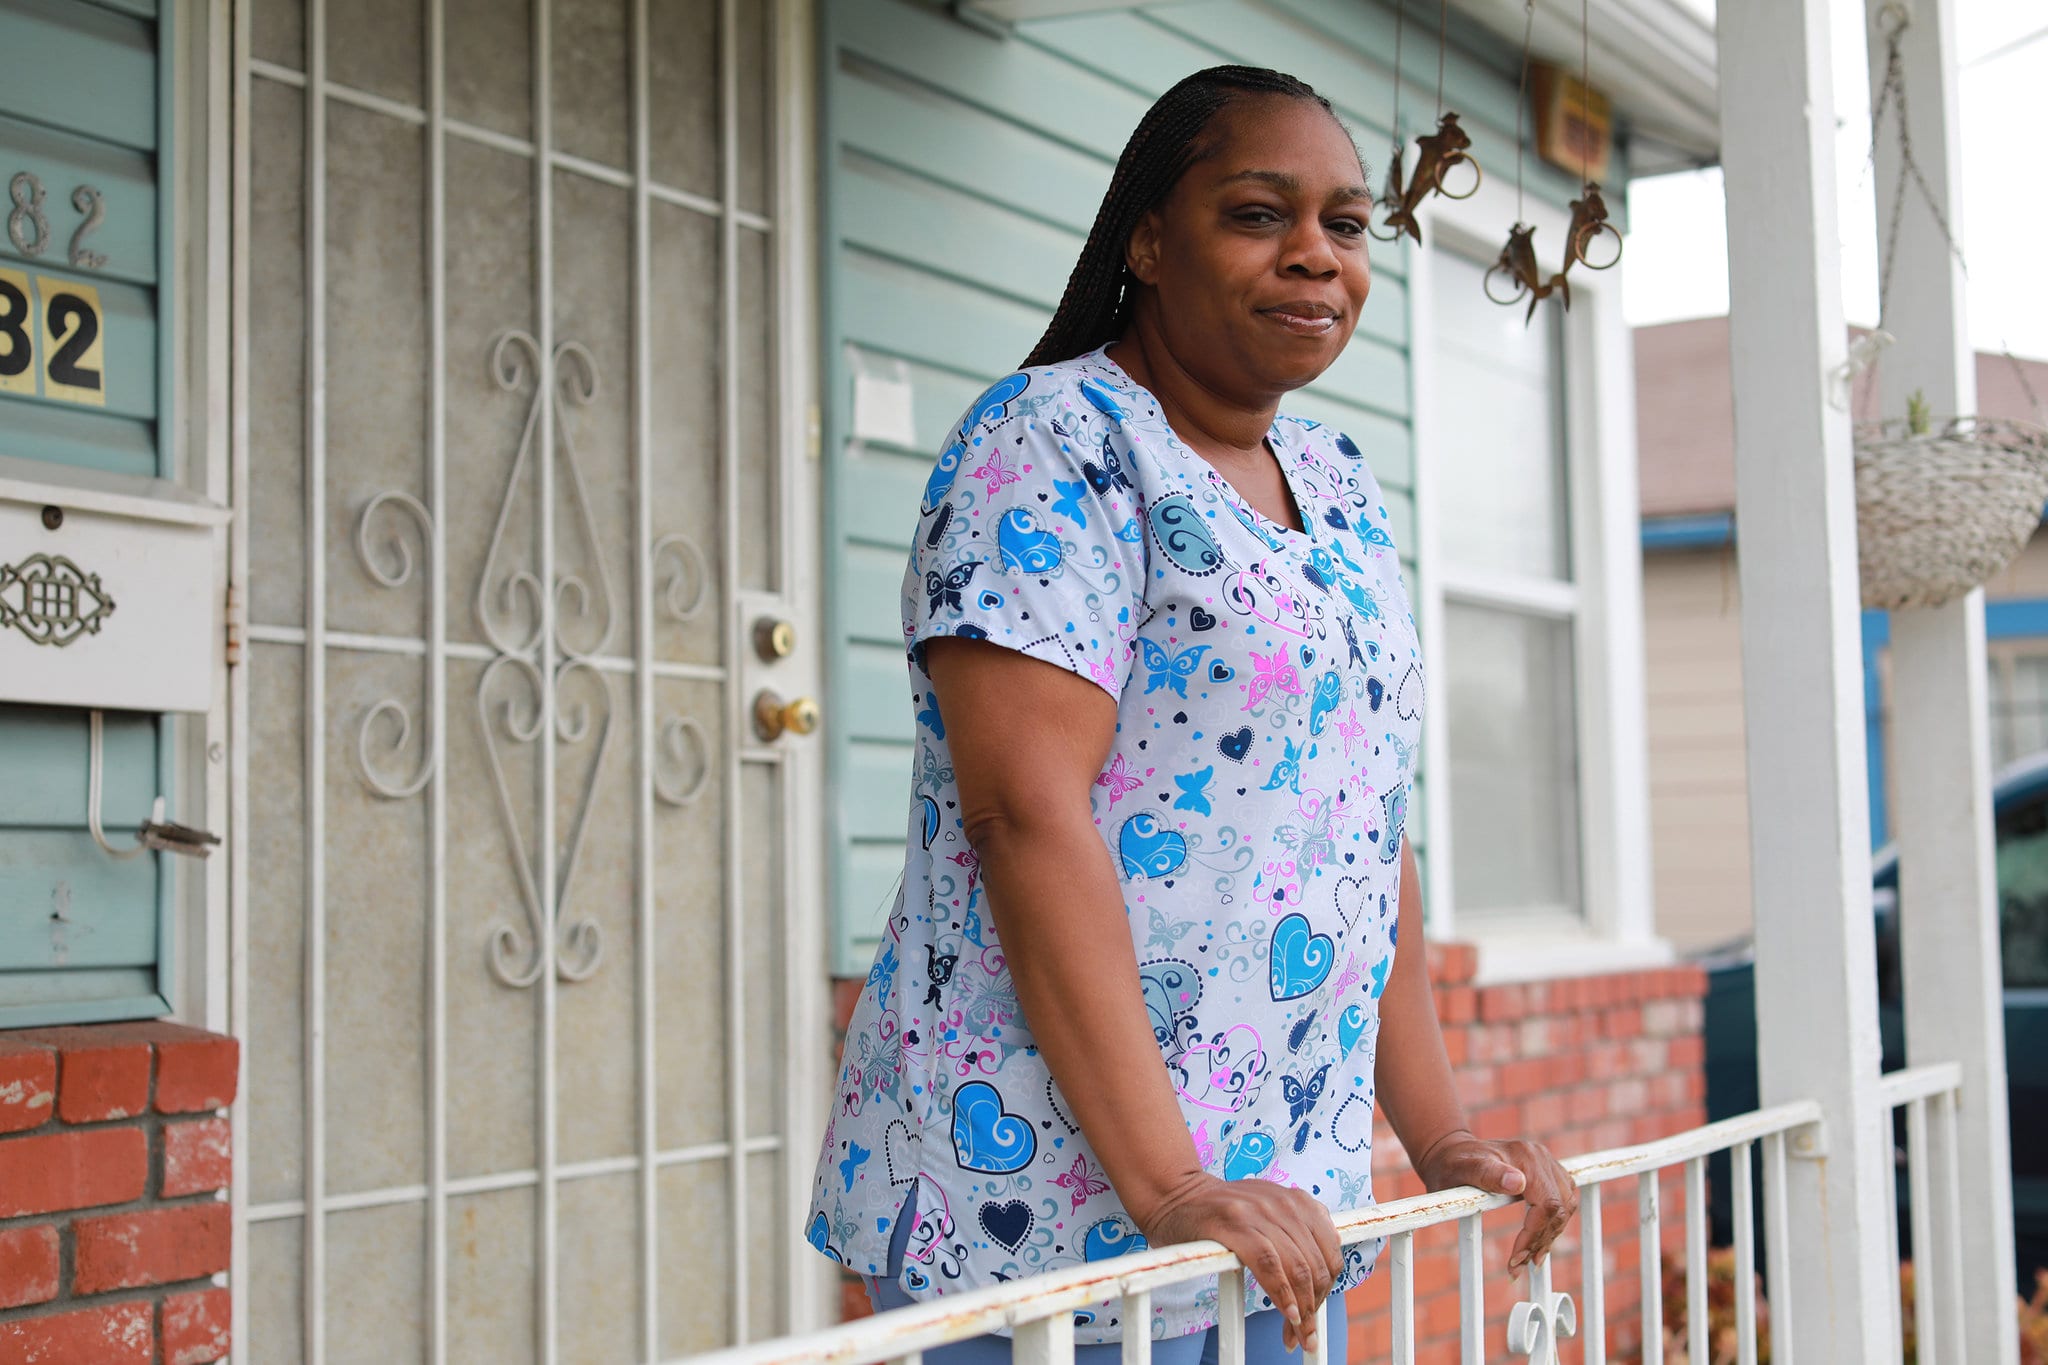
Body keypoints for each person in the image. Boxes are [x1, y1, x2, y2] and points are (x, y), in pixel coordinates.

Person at [807, 64, 1578, 1365]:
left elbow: (1361, 827)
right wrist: (1170, 1185)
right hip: (1053, 1221)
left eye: (1345, 224)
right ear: (1151, 240)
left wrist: (1439, 1131)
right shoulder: (1051, 447)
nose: (1315, 256)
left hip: (1274, 1215)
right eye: (1259, 214)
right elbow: (1022, 812)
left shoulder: (1337, 481)